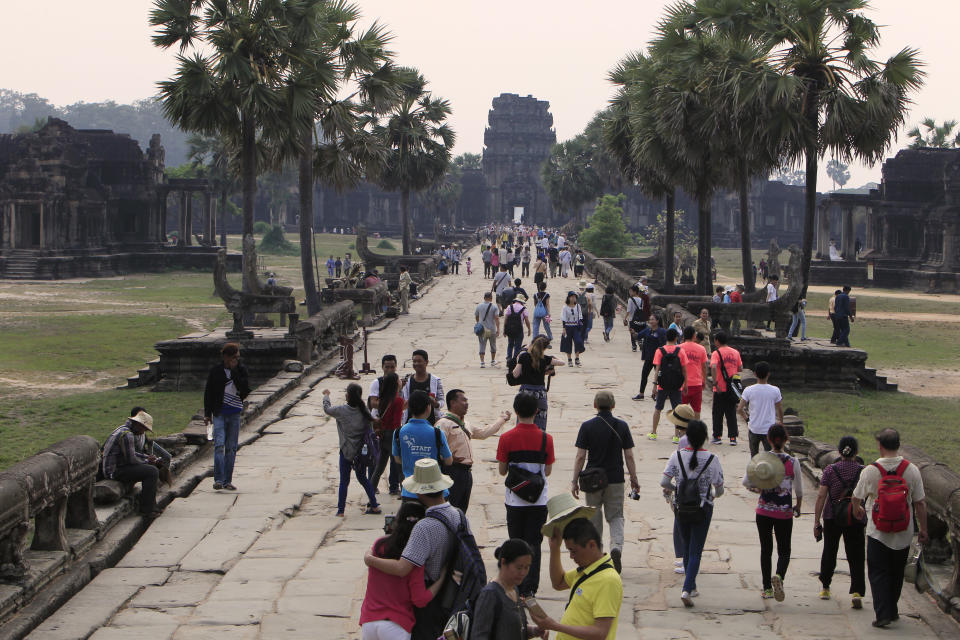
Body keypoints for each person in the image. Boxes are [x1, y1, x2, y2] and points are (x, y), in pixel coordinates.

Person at [363, 459, 467, 640]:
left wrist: (370, 559)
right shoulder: (458, 515)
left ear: (419, 492)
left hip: (429, 598)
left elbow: (403, 568)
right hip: (453, 593)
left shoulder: (423, 527)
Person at [852, 429, 928, 628]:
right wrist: (923, 530)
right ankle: (892, 609)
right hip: (903, 532)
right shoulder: (911, 470)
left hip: (878, 532)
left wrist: (856, 510)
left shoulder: (871, 470)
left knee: (878, 573)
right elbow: (920, 503)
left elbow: (856, 497)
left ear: (880, 446)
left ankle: (883, 613)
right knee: (896, 573)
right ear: (898, 444)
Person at [571, 391, 639, 573]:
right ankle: (616, 546)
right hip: (615, 477)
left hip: (592, 479)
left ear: (595, 405)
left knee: (594, 517)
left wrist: (574, 480)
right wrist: (633, 478)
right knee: (616, 516)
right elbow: (629, 455)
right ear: (613, 406)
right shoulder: (622, 426)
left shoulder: (587, 426)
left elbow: (580, 456)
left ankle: (596, 557)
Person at [497, 392, 556, 597]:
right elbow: (547, 471)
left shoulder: (506, 438)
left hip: (515, 500)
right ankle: (530, 587)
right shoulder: (546, 439)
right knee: (534, 545)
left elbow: (503, 471)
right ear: (537, 412)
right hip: (539, 500)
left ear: (515, 411)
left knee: (516, 541)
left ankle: (514, 583)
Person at [359, 501, 446, 640]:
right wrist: (442, 579)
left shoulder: (378, 545)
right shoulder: (414, 556)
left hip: (369, 621)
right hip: (396, 625)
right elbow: (420, 600)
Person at [661, 420, 725, 606]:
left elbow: (664, 482)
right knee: (696, 549)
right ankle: (687, 589)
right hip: (702, 507)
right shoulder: (712, 460)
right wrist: (711, 495)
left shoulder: (677, 456)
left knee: (687, 545)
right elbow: (719, 489)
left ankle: (692, 585)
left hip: (681, 507)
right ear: (705, 438)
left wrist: (676, 489)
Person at [528, 518, 623, 639]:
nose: (571, 556)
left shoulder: (608, 580)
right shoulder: (588, 569)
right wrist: (555, 548)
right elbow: (559, 582)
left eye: (574, 551)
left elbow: (600, 633)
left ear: (591, 545)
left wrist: (554, 625)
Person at [743, 424, 802, 601]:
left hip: (763, 511)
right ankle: (780, 576)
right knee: (784, 550)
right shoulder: (793, 462)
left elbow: (747, 482)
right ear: (786, 439)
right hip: (784, 512)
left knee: (766, 549)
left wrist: (758, 490)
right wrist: (798, 506)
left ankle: (767, 589)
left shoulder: (761, 459)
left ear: (768, 439)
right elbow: (799, 489)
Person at [813, 436, 866, 608]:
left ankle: (825, 587)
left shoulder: (830, 470)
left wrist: (816, 522)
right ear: (856, 452)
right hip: (855, 515)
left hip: (832, 515)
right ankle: (857, 591)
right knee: (856, 554)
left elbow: (821, 496)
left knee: (830, 550)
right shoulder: (863, 471)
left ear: (839, 451)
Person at [436, 389, 510, 512]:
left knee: (462, 509)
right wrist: (448, 458)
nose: (467, 403)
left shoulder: (466, 424)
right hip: (452, 471)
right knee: (451, 508)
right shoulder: (443, 423)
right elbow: (437, 447)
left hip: (466, 473)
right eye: (463, 400)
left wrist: (502, 419)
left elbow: (483, 433)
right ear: (453, 403)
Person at [322, 385, 381, 516]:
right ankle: (374, 505)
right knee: (363, 479)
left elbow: (327, 409)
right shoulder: (364, 410)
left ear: (347, 396)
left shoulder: (341, 410)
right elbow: (370, 429)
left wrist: (326, 395)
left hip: (346, 451)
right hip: (361, 453)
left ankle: (341, 510)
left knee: (344, 481)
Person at [472, 539, 547, 640]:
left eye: (527, 567)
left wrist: (534, 631)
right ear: (503, 562)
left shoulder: (514, 589)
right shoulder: (490, 595)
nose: (523, 573)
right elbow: (479, 635)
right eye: (519, 567)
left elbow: (514, 629)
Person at [204, 342, 250, 491]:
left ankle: (227, 480)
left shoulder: (241, 370)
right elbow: (208, 393)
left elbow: (245, 388)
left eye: (237, 357)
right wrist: (207, 414)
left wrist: (234, 371)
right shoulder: (216, 371)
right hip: (219, 413)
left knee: (231, 448)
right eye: (233, 357)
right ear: (226, 357)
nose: (236, 360)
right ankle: (218, 479)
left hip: (234, 413)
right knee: (219, 446)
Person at [393, 390, 453, 502]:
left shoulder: (399, 432)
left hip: (410, 492)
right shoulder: (437, 433)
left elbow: (397, 459)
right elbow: (448, 461)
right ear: (428, 408)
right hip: (435, 492)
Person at [101, 411, 162, 517]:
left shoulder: (123, 429)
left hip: (119, 466)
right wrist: (147, 461)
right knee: (152, 472)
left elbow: (131, 453)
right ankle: (147, 509)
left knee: (151, 468)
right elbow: (132, 460)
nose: (143, 433)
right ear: (138, 425)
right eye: (144, 429)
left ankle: (152, 506)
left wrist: (147, 457)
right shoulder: (127, 435)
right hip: (114, 471)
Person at [512, 335, 565, 432]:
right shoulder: (546, 359)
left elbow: (515, 374)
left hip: (525, 392)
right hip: (540, 393)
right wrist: (553, 357)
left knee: (522, 422)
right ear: (544, 348)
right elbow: (562, 362)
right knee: (540, 426)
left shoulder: (524, 356)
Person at [649, 328, 688, 441]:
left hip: (663, 384)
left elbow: (657, 370)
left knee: (658, 408)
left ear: (666, 337)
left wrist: (654, 385)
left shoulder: (660, 351)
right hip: (677, 385)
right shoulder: (680, 351)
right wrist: (686, 384)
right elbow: (684, 370)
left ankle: (654, 432)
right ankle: (676, 436)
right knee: (677, 410)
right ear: (676, 338)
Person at [737, 361, 783, 456]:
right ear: (768, 374)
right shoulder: (775, 390)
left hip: (754, 427)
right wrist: (781, 423)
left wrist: (747, 419)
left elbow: (739, 409)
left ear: (755, 374)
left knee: (754, 457)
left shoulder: (748, 390)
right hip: (769, 429)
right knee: (770, 457)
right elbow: (780, 409)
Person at [709, 332, 742, 446]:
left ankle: (717, 436)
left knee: (718, 413)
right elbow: (740, 367)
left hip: (719, 388)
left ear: (717, 341)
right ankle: (733, 437)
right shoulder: (735, 352)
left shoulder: (716, 353)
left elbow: (713, 366)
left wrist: (715, 382)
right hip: (731, 388)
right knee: (731, 412)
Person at [401, 350, 444, 424]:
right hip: (410, 422)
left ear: (426, 362)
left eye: (419, 361)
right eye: (414, 361)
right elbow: (401, 401)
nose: (416, 364)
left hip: (431, 422)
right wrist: (400, 388)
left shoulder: (436, 380)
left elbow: (441, 401)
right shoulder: (407, 381)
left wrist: (435, 404)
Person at [678, 326, 708, 426]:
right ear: (694, 336)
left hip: (682, 383)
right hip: (696, 383)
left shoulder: (679, 348)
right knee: (696, 410)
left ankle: (680, 431)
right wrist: (704, 380)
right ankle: (696, 430)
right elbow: (704, 367)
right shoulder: (701, 349)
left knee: (682, 409)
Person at [632, 315, 665, 401]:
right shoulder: (647, 330)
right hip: (649, 357)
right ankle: (641, 393)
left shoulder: (662, 331)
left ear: (657, 321)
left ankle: (658, 394)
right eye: (650, 319)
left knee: (659, 377)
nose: (650, 321)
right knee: (644, 375)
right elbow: (638, 336)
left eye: (653, 319)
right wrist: (633, 332)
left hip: (658, 358)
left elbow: (665, 344)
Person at [560, 291, 585, 367]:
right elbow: (563, 318)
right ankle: (569, 359)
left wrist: (580, 323)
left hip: (576, 326)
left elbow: (580, 315)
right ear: (568, 298)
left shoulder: (578, 306)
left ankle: (577, 358)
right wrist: (564, 328)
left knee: (578, 341)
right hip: (568, 326)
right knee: (568, 343)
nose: (573, 298)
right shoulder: (565, 307)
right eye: (572, 297)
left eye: (574, 297)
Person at [476, 292, 500, 368]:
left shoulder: (479, 306)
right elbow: (496, 318)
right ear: (491, 298)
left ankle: (482, 362)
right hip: (491, 329)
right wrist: (498, 328)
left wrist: (479, 323)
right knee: (493, 345)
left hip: (482, 329)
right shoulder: (494, 307)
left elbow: (476, 316)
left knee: (482, 345)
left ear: (484, 298)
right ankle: (492, 361)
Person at [504, 297, 532, 362]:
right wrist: (529, 329)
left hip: (510, 329)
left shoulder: (509, 307)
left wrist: (505, 330)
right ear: (522, 302)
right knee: (518, 346)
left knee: (510, 344)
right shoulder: (524, 309)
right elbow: (527, 320)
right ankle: (515, 359)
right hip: (519, 329)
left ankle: (508, 359)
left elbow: (506, 319)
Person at [624, 284, 649, 352]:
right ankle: (640, 341)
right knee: (639, 331)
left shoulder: (630, 299)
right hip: (639, 319)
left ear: (635, 292)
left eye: (631, 291)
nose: (630, 293)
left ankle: (634, 346)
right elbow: (642, 308)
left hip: (632, 318)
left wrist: (625, 318)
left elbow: (628, 310)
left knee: (632, 332)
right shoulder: (641, 299)